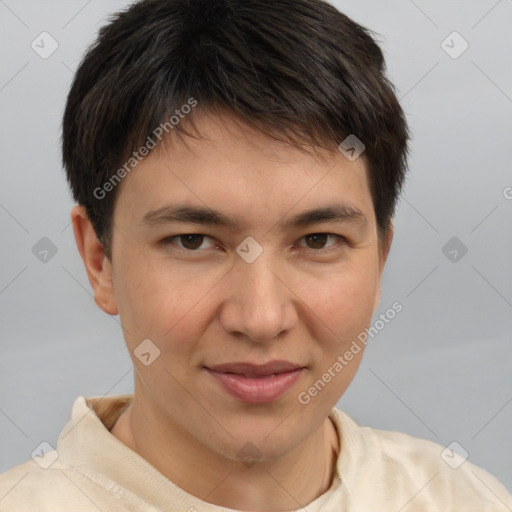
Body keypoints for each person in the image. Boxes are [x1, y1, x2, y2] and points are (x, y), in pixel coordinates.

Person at [1, 0, 510, 510]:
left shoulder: (463, 497)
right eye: (193, 241)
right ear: (99, 260)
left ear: (379, 261)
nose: (262, 319)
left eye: (317, 241)